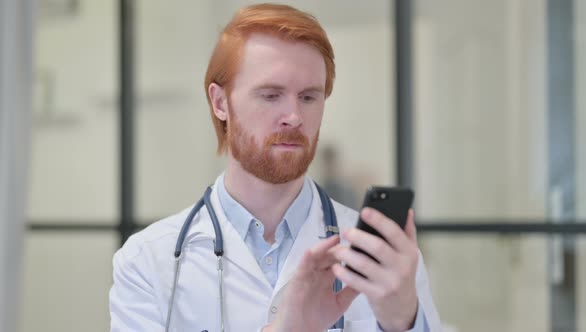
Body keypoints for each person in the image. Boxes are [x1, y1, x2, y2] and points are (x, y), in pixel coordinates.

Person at [109, 3, 441, 332]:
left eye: (309, 97)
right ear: (220, 103)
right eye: (271, 95)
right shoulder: (147, 261)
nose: (294, 116)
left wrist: (403, 322)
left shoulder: (382, 258)